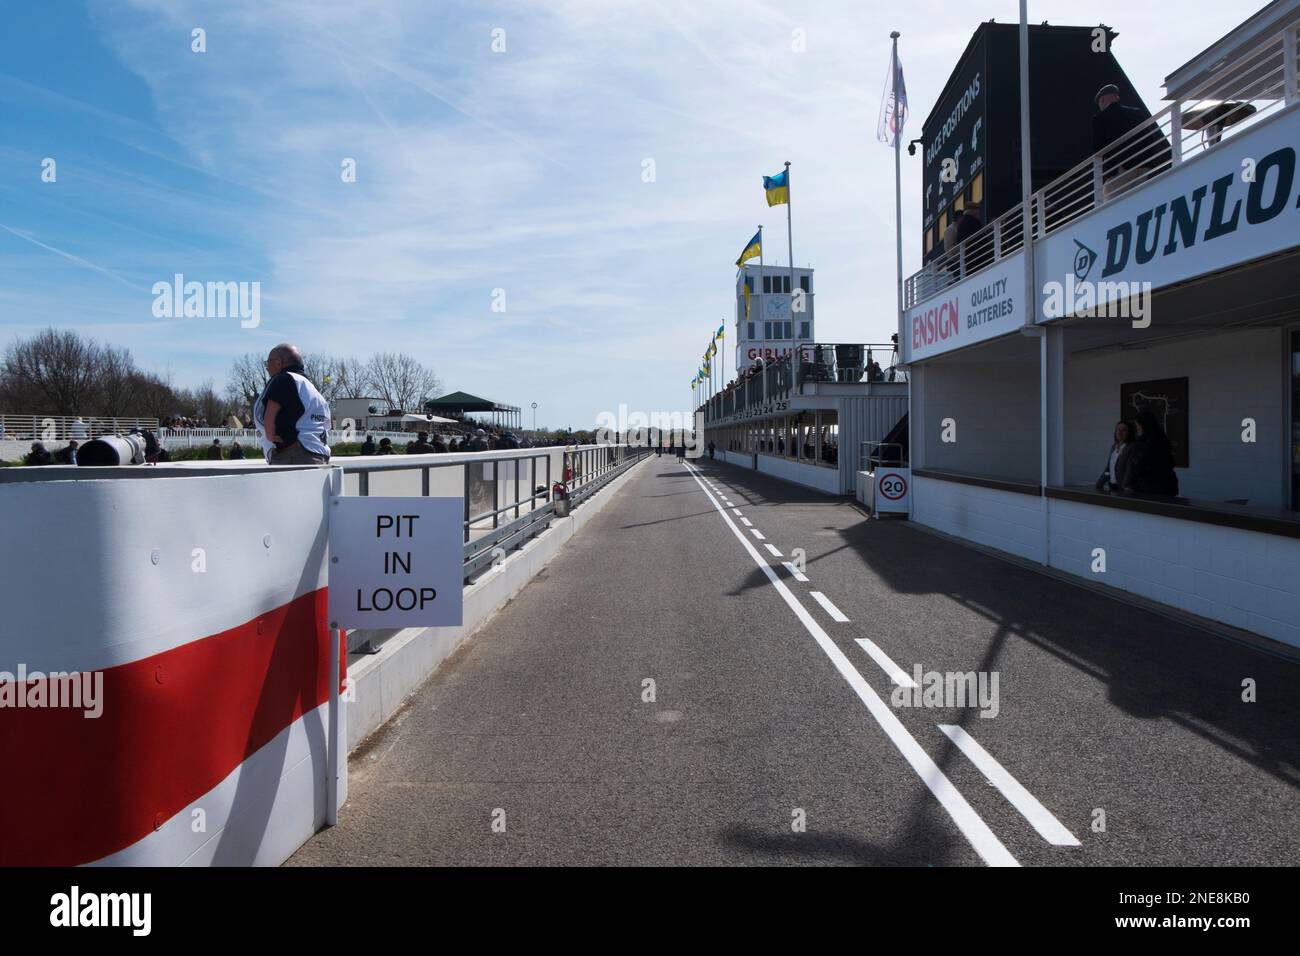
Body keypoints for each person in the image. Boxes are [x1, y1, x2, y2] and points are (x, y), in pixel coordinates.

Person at [253, 343, 331, 465]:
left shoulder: (283, 380)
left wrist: (271, 437)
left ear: (278, 362)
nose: (267, 367)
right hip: (318, 452)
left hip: (294, 454)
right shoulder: (309, 387)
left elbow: (270, 416)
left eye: (267, 362)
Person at [1092, 84, 1172, 201]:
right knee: (1138, 200)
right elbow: (1151, 137)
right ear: (1117, 98)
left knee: (1111, 204)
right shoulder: (1137, 113)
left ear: (1102, 100)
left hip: (1120, 167)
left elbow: (1098, 148)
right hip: (1143, 165)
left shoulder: (1100, 118)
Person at [1123, 411, 1179, 497]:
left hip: (1150, 488)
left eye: (1138, 425)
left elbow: (1139, 465)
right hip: (1166, 486)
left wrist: (1130, 484)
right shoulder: (1162, 438)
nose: (1137, 428)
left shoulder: (1145, 442)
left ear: (1143, 425)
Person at [1096, 420, 1134, 493]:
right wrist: (1099, 484)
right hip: (1112, 486)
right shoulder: (1114, 447)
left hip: (1124, 489)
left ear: (1129, 432)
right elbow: (1108, 469)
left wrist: (1125, 486)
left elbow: (1130, 469)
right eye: (1118, 430)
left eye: (1124, 430)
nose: (1120, 432)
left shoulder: (1131, 447)